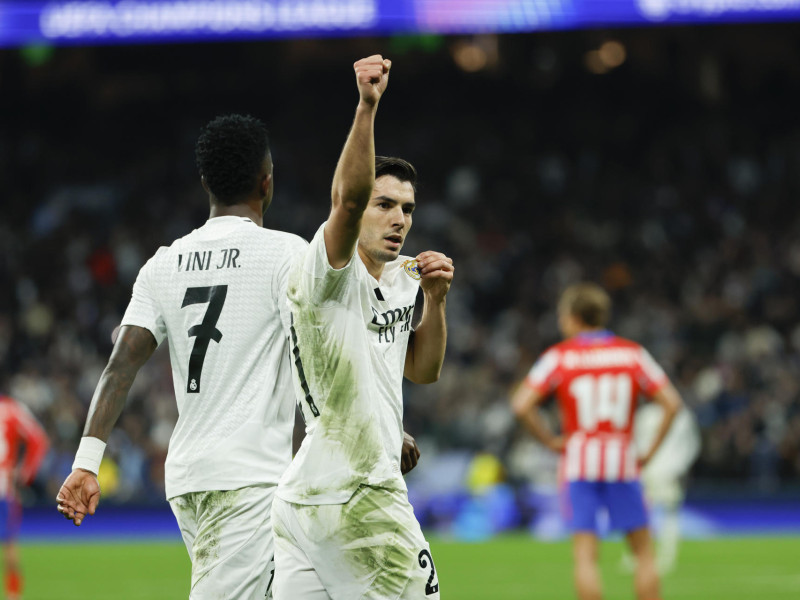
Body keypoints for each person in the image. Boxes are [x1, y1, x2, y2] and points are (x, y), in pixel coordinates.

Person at [56, 114, 311, 599]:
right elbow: (318, 358)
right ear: (267, 179)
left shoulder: (163, 262)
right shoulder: (287, 255)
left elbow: (120, 365)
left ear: (204, 183)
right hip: (248, 478)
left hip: (189, 474)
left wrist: (87, 462)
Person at [271, 55, 453, 599]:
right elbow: (344, 201)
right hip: (360, 494)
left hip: (307, 498)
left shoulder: (404, 278)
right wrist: (367, 106)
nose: (399, 219)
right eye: (384, 205)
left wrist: (436, 303)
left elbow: (422, 371)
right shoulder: (326, 270)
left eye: (408, 208)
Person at [511, 283, 682, 600]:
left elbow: (522, 404)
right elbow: (671, 403)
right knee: (644, 553)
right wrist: (649, 453)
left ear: (573, 317)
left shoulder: (560, 356)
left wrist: (550, 441)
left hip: (579, 459)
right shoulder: (632, 353)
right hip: (622, 458)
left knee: (586, 557)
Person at [629, 402, 700, 573]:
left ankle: (668, 555)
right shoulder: (645, 414)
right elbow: (634, 441)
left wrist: (680, 467)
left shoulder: (683, 416)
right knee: (642, 514)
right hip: (648, 471)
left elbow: (692, 445)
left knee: (669, 513)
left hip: (669, 472)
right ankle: (638, 555)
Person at [0, 392, 49, 600]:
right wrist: (25, 474)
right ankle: (13, 595)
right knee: (9, 544)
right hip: (4, 486)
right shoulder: (12, 409)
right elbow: (39, 439)